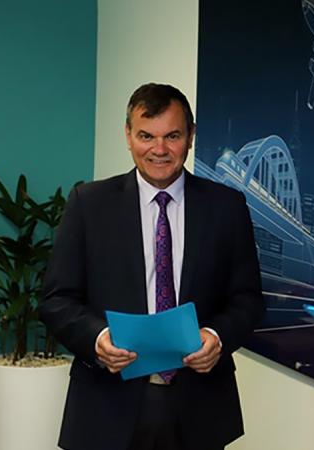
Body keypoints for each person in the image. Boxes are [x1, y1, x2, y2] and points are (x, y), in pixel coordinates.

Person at [40, 83, 265, 450]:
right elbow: (56, 299)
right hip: (105, 404)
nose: (159, 150)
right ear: (128, 136)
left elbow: (248, 299)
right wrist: (98, 339)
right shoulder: (89, 203)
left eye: (172, 135)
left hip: (200, 407)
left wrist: (218, 337)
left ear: (190, 136)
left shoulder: (226, 207)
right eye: (146, 135)